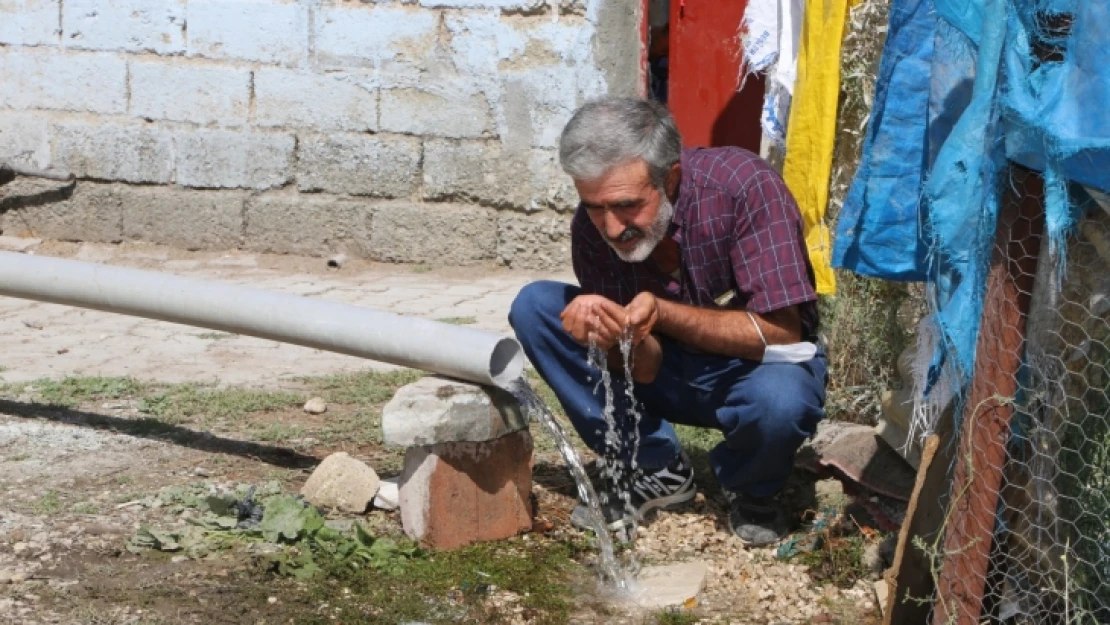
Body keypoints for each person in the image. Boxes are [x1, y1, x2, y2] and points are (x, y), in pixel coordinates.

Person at [508, 97, 827, 547]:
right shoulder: (592, 228)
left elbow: (781, 332)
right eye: (595, 207)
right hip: (670, 371)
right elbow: (646, 368)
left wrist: (663, 312)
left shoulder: (744, 187)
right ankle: (655, 467)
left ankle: (752, 488)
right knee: (536, 307)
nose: (612, 227)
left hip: (754, 370)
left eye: (627, 206)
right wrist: (614, 339)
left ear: (671, 177)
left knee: (781, 399)